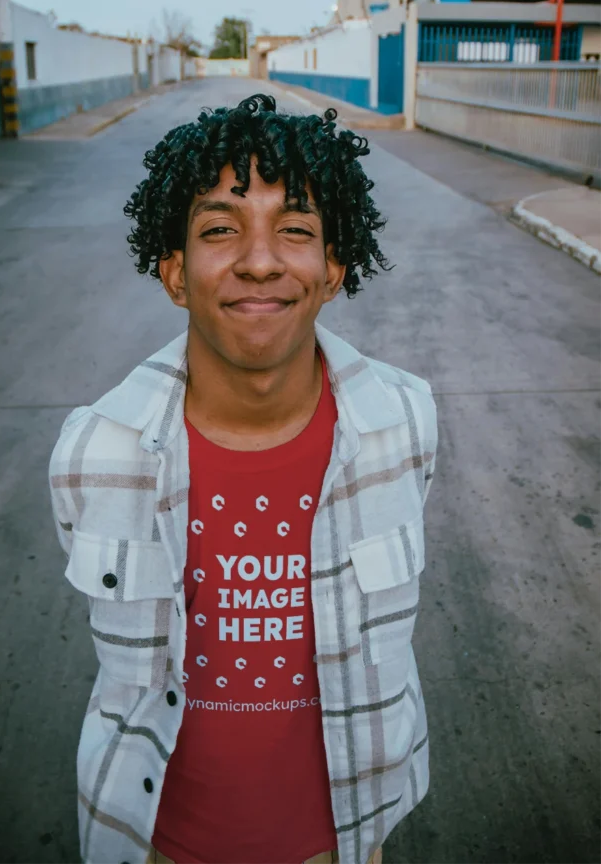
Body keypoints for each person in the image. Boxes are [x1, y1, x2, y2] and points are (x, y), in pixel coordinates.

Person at [49, 93, 437, 864]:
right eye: (219, 229)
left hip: (346, 837)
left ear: (332, 269)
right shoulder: (96, 452)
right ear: (174, 273)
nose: (259, 260)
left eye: (294, 229)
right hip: (155, 841)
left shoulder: (403, 421)